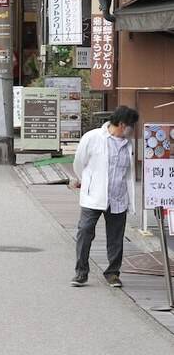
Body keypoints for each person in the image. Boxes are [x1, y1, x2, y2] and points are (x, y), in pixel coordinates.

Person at [70, 106, 139, 288]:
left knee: (116, 237)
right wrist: (83, 181)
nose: (133, 130)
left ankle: (113, 273)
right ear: (122, 124)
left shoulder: (128, 144)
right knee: (85, 231)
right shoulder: (93, 138)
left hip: (118, 196)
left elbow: (129, 173)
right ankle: (81, 272)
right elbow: (79, 162)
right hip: (94, 195)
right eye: (131, 126)